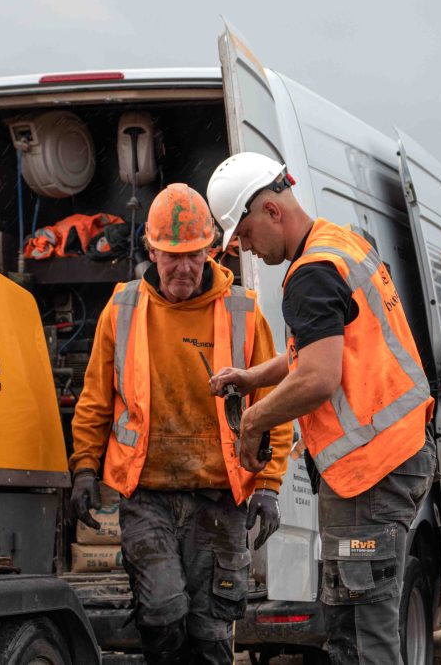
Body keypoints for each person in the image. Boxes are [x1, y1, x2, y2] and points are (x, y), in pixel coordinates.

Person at [206, 153, 436, 664]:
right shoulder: (340, 244)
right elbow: (316, 353)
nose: (243, 248)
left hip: (369, 475)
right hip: (390, 461)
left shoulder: (310, 275)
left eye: (243, 234)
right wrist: (253, 377)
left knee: (365, 633)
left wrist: (253, 422)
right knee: (350, 624)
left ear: (270, 211)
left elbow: (318, 377)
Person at [68, 182, 292, 664]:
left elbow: (274, 401)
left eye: (194, 255)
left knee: (210, 635)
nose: (184, 268)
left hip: (218, 497)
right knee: (163, 613)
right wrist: (85, 469)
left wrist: (269, 486)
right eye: (172, 256)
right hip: (148, 496)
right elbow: (95, 400)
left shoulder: (243, 312)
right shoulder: (122, 310)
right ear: (152, 251)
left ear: (211, 250)